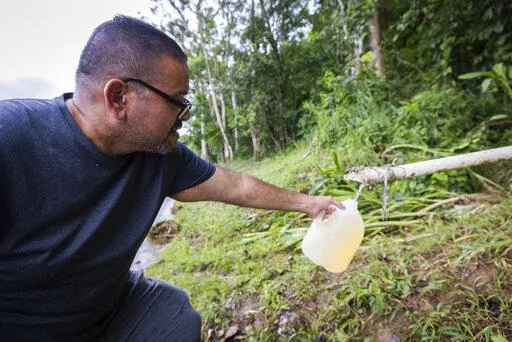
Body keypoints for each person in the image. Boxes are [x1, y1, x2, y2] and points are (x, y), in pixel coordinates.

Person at [0, 15, 343, 341]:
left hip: (107, 311)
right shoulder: (10, 137)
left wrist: (310, 204)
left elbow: (236, 185)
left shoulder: (161, 157)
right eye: (177, 100)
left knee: (175, 315)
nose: (187, 114)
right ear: (119, 97)